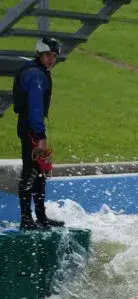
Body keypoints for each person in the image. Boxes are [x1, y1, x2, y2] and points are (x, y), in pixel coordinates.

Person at [12, 37, 64, 230]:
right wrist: (40, 137)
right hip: (31, 128)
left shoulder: (36, 71)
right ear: (39, 55)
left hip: (31, 127)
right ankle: (26, 218)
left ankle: (40, 217)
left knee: (40, 172)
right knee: (31, 172)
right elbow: (34, 108)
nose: (51, 59)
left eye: (54, 56)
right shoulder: (36, 76)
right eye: (47, 55)